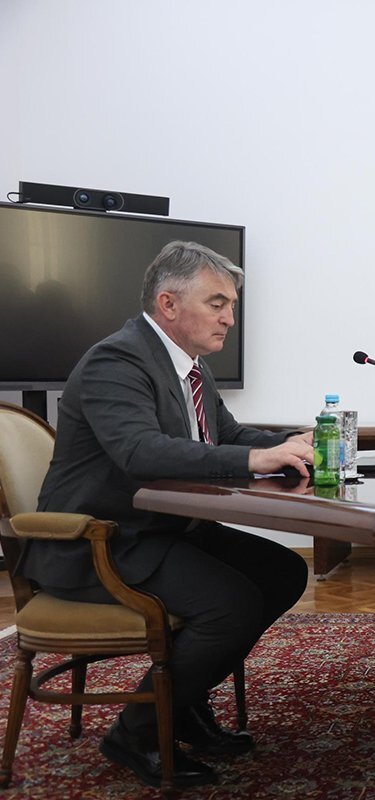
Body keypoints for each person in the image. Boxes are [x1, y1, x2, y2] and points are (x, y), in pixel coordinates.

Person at [18, 241, 313, 788]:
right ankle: (137, 731)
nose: (230, 318)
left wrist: (291, 443)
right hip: (100, 542)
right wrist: (255, 459)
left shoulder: (189, 367)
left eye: (231, 305)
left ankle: (182, 702)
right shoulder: (116, 360)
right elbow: (141, 452)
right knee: (231, 605)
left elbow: (226, 435)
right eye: (218, 303)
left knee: (284, 571)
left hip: (161, 529)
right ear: (169, 303)